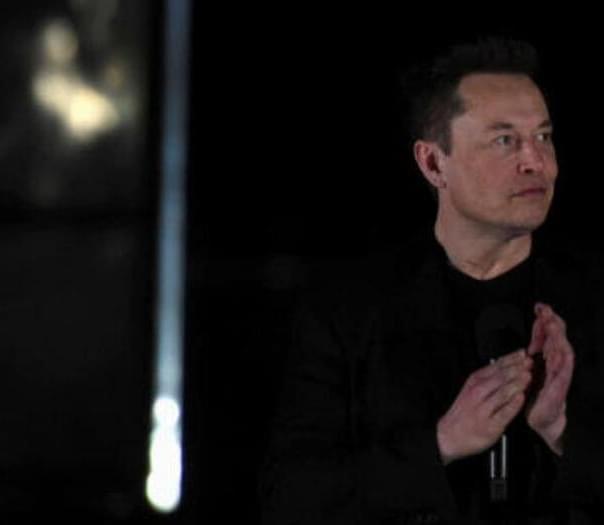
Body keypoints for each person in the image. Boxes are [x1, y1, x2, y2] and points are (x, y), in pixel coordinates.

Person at [259, 37, 604, 524]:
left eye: (544, 137)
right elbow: (290, 498)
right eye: (505, 141)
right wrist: (442, 443)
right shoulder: (349, 309)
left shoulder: (593, 293)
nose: (536, 162)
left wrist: (562, 432)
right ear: (433, 163)